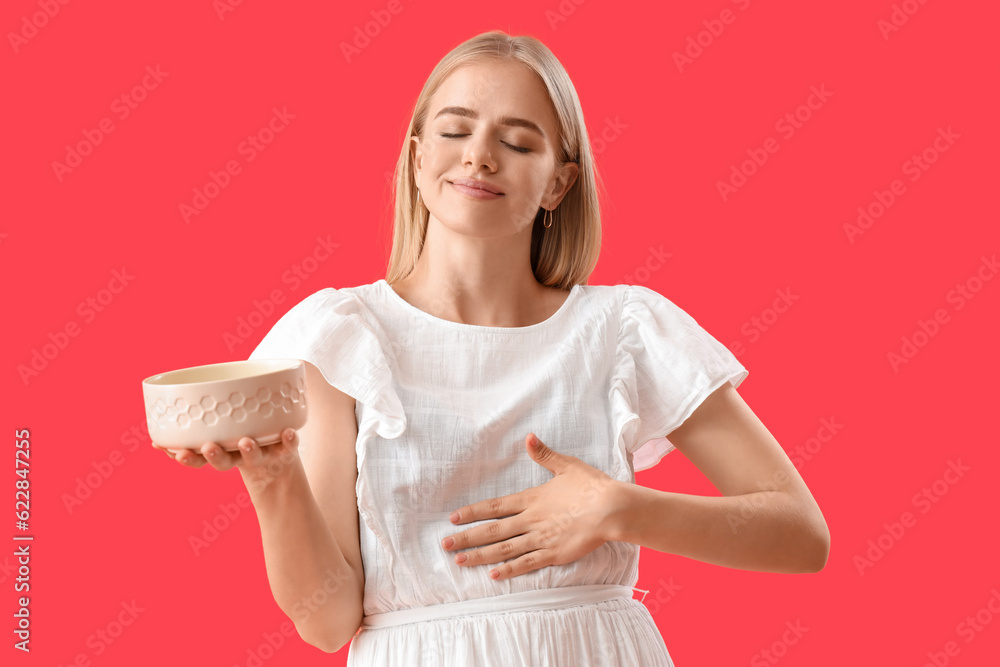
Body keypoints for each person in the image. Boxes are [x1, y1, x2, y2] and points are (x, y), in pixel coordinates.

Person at [155, 30, 830, 665]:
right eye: (454, 130)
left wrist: (619, 509)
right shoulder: (344, 337)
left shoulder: (624, 329)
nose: (479, 154)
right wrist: (273, 477)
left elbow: (800, 532)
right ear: (419, 157)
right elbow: (329, 620)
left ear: (558, 184)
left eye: (518, 141)